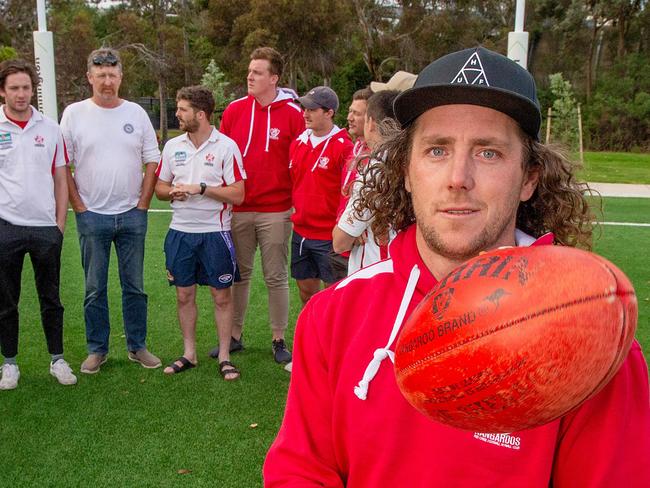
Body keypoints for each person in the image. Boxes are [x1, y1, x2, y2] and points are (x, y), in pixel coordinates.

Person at [264, 47, 650, 486]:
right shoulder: (334, 314)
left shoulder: (589, 338)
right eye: (436, 150)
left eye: (488, 152)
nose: (457, 178)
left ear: (529, 178)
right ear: (406, 171)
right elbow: (301, 468)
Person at [60, 48, 161, 374]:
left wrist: (143, 204)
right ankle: (97, 349)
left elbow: (151, 159)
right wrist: (79, 206)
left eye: (112, 75)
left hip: (132, 214)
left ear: (121, 77)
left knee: (134, 286)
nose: (107, 81)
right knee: (94, 288)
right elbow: (63, 163)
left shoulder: (135, 113)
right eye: (100, 75)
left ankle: (137, 346)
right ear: (90, 77)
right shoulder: (74, 113)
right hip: (92, 216)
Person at [214, 47, 304, 364]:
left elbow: (301, 163)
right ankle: (234, 336)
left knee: (276, 277)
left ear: (274, 78)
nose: (250, 76)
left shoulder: (294, 115)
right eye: (249, 71)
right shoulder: (235, 110)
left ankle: (278, 338)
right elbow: (220, 155)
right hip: (238, 209)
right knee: (239, 275)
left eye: (258, 72)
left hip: (277, 210)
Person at [155, 86, 245, 381]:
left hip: (215, 233)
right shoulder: (172, 146)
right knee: (184, 295)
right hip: (180, 233)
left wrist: (202, 189)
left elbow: (238, 194)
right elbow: (160, 188)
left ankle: (224, 356)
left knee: (221, 296)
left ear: (201, 114)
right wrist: (172, 194)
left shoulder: (226, 146)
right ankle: (189, 353)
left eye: (182, 110)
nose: (177, 114)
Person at [0, 59, 77, 389]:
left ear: (34, 89)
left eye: (26, 88)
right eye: (14, 88)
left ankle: (57, 359)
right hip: (6, 227)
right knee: (6, 300)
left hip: (45, 228)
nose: (21, 94)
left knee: (51, 298)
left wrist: (59, 224)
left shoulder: (50, 128)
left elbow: (61, 177)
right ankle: (10, 364)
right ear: (2, 90)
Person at [290, 86, 353, 306]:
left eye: (312, 109)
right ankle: (311, 338)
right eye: (304, 108)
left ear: (329, 112)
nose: (305, 113)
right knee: (306, 294)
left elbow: (350, 191)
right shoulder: (298, 143)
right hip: (301, 232)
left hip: (329, 235)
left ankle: (334, 340)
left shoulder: (345, 148)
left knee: (334, 297)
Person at [333, 90, 400, 275]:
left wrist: (353, 227)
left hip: (377, 275)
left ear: (370, 124)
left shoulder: (377, 169)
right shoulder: (414, 160)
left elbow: (340, 242)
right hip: (408, 271)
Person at [329, 87, 374, 282]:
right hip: (344, 236)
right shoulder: (355, 148)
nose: (349, 117)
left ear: (371, 119)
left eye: (356, 113)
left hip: (364, 245)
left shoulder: (377, 158)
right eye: (349, 111)